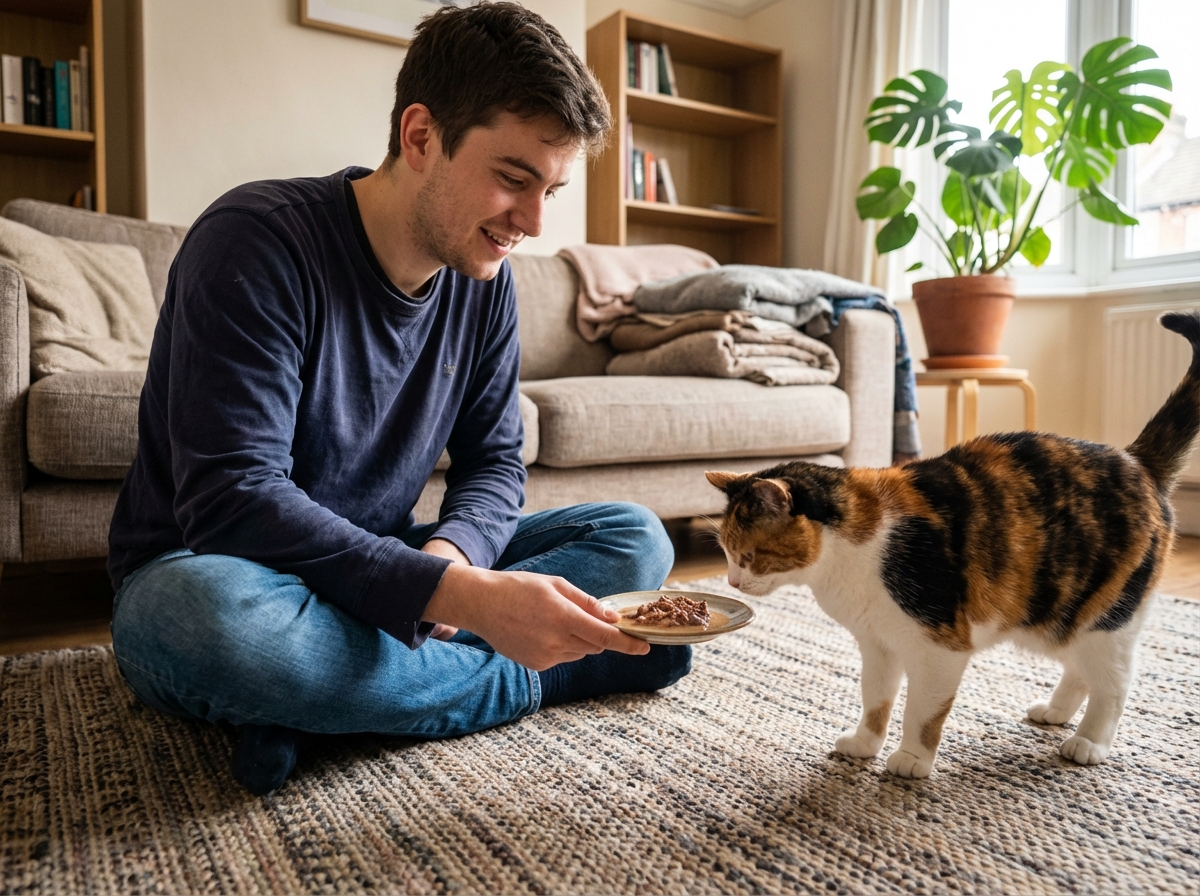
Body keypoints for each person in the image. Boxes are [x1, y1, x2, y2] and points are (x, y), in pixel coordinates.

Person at [107, 0, 691, 795]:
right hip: (214, 570)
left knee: (633, 537)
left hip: (383, 559)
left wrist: (452, 561)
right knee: (215, 626)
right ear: (421, 136)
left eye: (551, 189)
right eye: (514, 180)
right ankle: (547, 679)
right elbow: (231, 498)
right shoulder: (255, 239)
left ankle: (314, 706)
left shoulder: (486, 285)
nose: (532, 221)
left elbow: (493, 463)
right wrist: (461, 599)